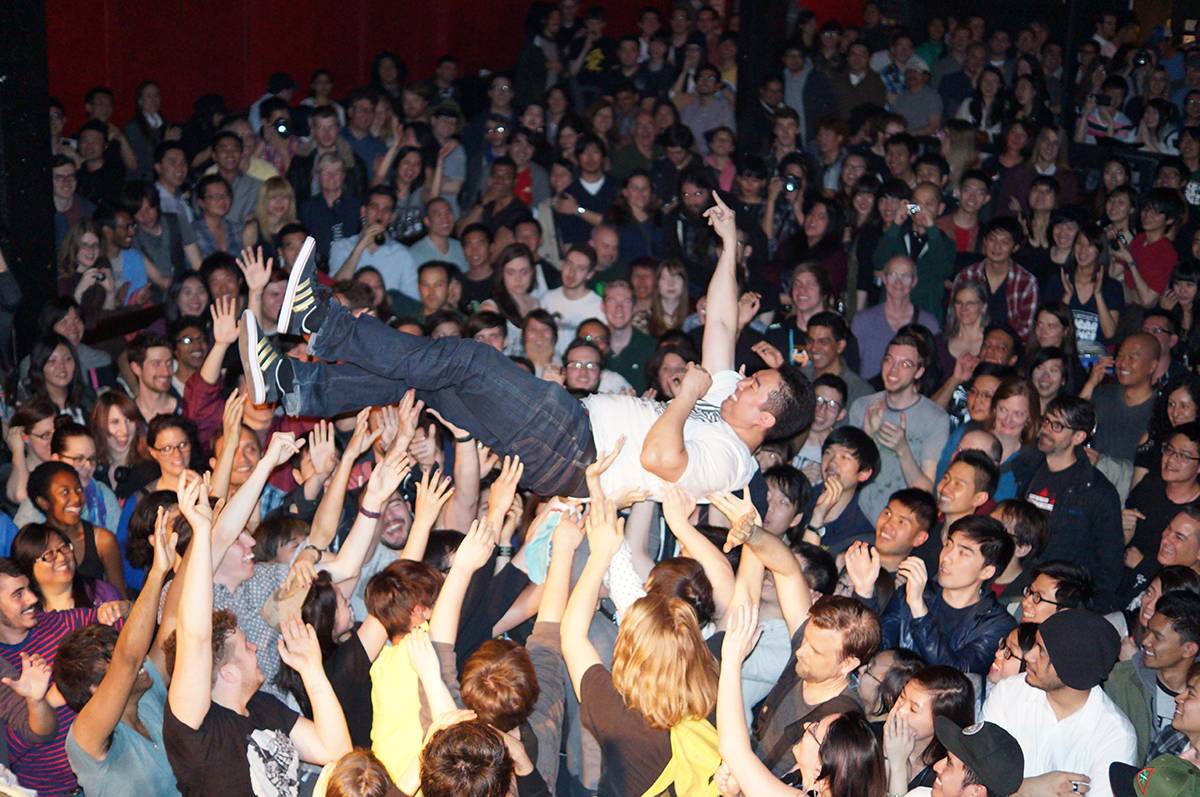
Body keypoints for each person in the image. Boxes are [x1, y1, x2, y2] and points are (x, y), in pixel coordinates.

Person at [242, 193, 815, 501]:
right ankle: (296, 386)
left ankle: (320, 319)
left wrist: (687, 399)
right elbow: (719, 323)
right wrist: (731, 243)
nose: (741, 379)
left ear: (765, 416)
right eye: (749, 377)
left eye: (754, 387)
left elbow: (662, 461)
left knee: (470, 357)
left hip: (575, 448)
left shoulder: (732, 461)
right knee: (427, 378)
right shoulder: (724, 394)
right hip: (565, 436)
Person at [162, 469, 352, 796]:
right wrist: (204, 529)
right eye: (245, 645)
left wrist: (312, 670)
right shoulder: (198, 729)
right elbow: (195, 637)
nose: (254, 646)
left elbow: (336, 753)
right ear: (227, 671)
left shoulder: (264, 707)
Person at [56, 508, 177, 797]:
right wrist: (157, 572)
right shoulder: (86, 737)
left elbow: (172, 622)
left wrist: (190, 550)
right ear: (96, 688)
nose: (136, 663)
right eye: (112, 658)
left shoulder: (147, 698)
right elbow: (128, 659)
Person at [982, 609, 1137, 797]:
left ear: (1073, 668)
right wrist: (1028, 789)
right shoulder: (1009, 692)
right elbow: (979, 779)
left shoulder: (1115, 737)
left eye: (1042, 652)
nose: (1029, 656)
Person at [851, 515, 1016, 675]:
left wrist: (918, 608)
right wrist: (864, 592)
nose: (947, 557)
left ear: (987, 571)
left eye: (963, 553)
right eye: (948, 545)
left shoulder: (996, 624)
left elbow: (954, 674)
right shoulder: (913, 592)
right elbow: (874, 650)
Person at [1025, 396, 1125, 612]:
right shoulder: (1028, 468)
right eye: (1046, 421)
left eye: (1057, 426)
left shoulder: (1097, 491)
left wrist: (1084, 610)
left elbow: (1110, 564)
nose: (1046, 430)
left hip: (1065, 600)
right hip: (1024, 583)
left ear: (1078, 436)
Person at [849, 330, 950, 523]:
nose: (893, 370)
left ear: (919, 371)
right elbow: (848, 475)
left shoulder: (935, 418)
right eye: (889, 360)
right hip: (859, 516)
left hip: (904, 521)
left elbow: (925, 493)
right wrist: (867, 437)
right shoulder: (862, 406)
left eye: (905, 364)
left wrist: (902, 450)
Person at [1105, 592, 1200, 763]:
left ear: (1189, 649)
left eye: (1158, 637)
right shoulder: (1119, 681)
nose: (1146, 641)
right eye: (1148, 630)